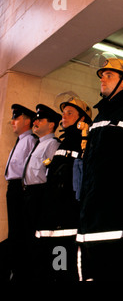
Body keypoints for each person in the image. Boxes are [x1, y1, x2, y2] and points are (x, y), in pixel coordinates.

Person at [77, 54, 123, 281]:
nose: (103, 79)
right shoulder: (100, 115)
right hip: (91, 208)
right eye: (102, 75)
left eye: (109, 75)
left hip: (116, 209)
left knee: (115, 270)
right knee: (93, 270)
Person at [35, 96, 92, 281]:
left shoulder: (85, 143)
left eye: (70, 113)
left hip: (68, 220)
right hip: (52, 218)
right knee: (53, 267)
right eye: (63, 113)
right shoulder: (63, 142)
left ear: (82, 118)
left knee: (66, 268)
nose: (64, 117)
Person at [22, 104, 62, 280]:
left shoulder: (52, 144)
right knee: (27, 236)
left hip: (40, 193)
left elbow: (51, 173)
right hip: (29, 192)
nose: (35, 122)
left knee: (38, 238)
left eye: (40, 119)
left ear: (52, 124)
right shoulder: (38, 143)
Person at [4, 104, 37, 281]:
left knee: (20, 232)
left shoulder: (30, 140)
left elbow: (28, 170)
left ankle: (20, 272)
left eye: (16, 118)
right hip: (13, 188)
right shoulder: (22, 140)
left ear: (27, 121)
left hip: (21, 189)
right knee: (14, 232)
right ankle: (14, 268)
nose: (12, 122)